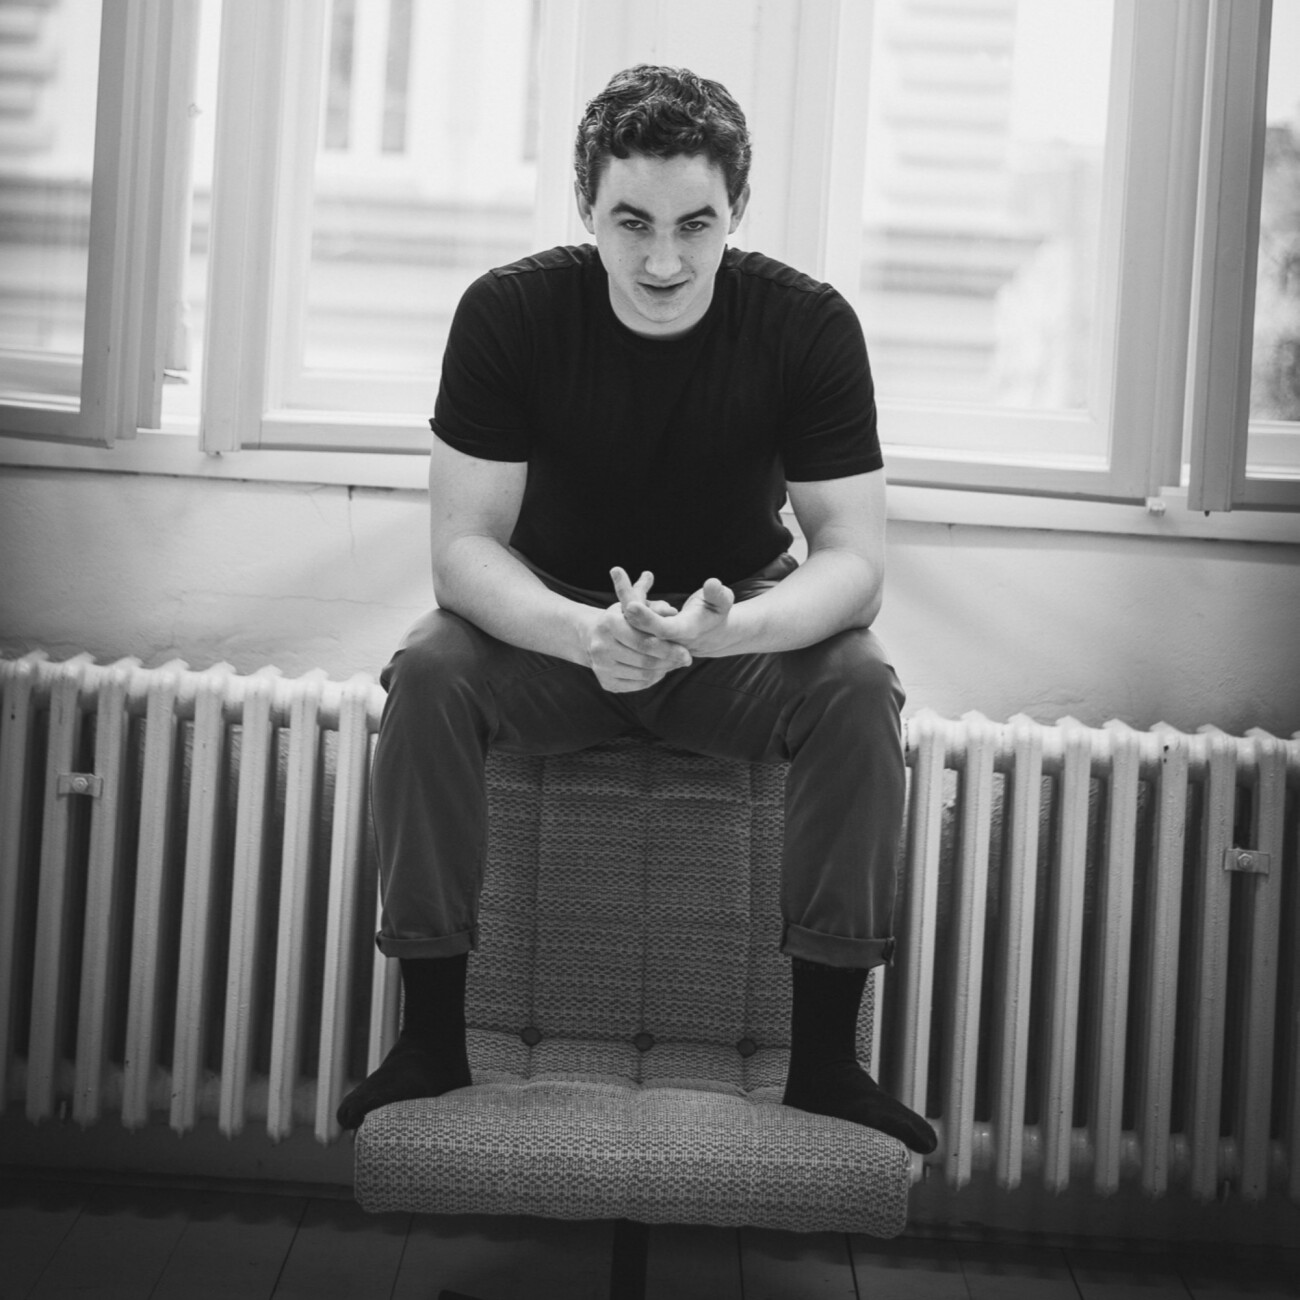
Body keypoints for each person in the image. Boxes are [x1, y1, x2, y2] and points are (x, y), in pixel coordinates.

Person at [337, 64, 936, 1156]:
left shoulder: (806, 325)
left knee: (858, 682)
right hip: (553, 629)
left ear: (737, 209)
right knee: (427, 667)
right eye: (632, 223)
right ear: (585, 207)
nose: (664, 261)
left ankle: (825, 1063)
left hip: (730, 630)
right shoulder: (509, 312)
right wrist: (583, 634)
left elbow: (854, 561)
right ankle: (428, 1040)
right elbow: (462, 553)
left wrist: (729, 630)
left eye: (694, 224)